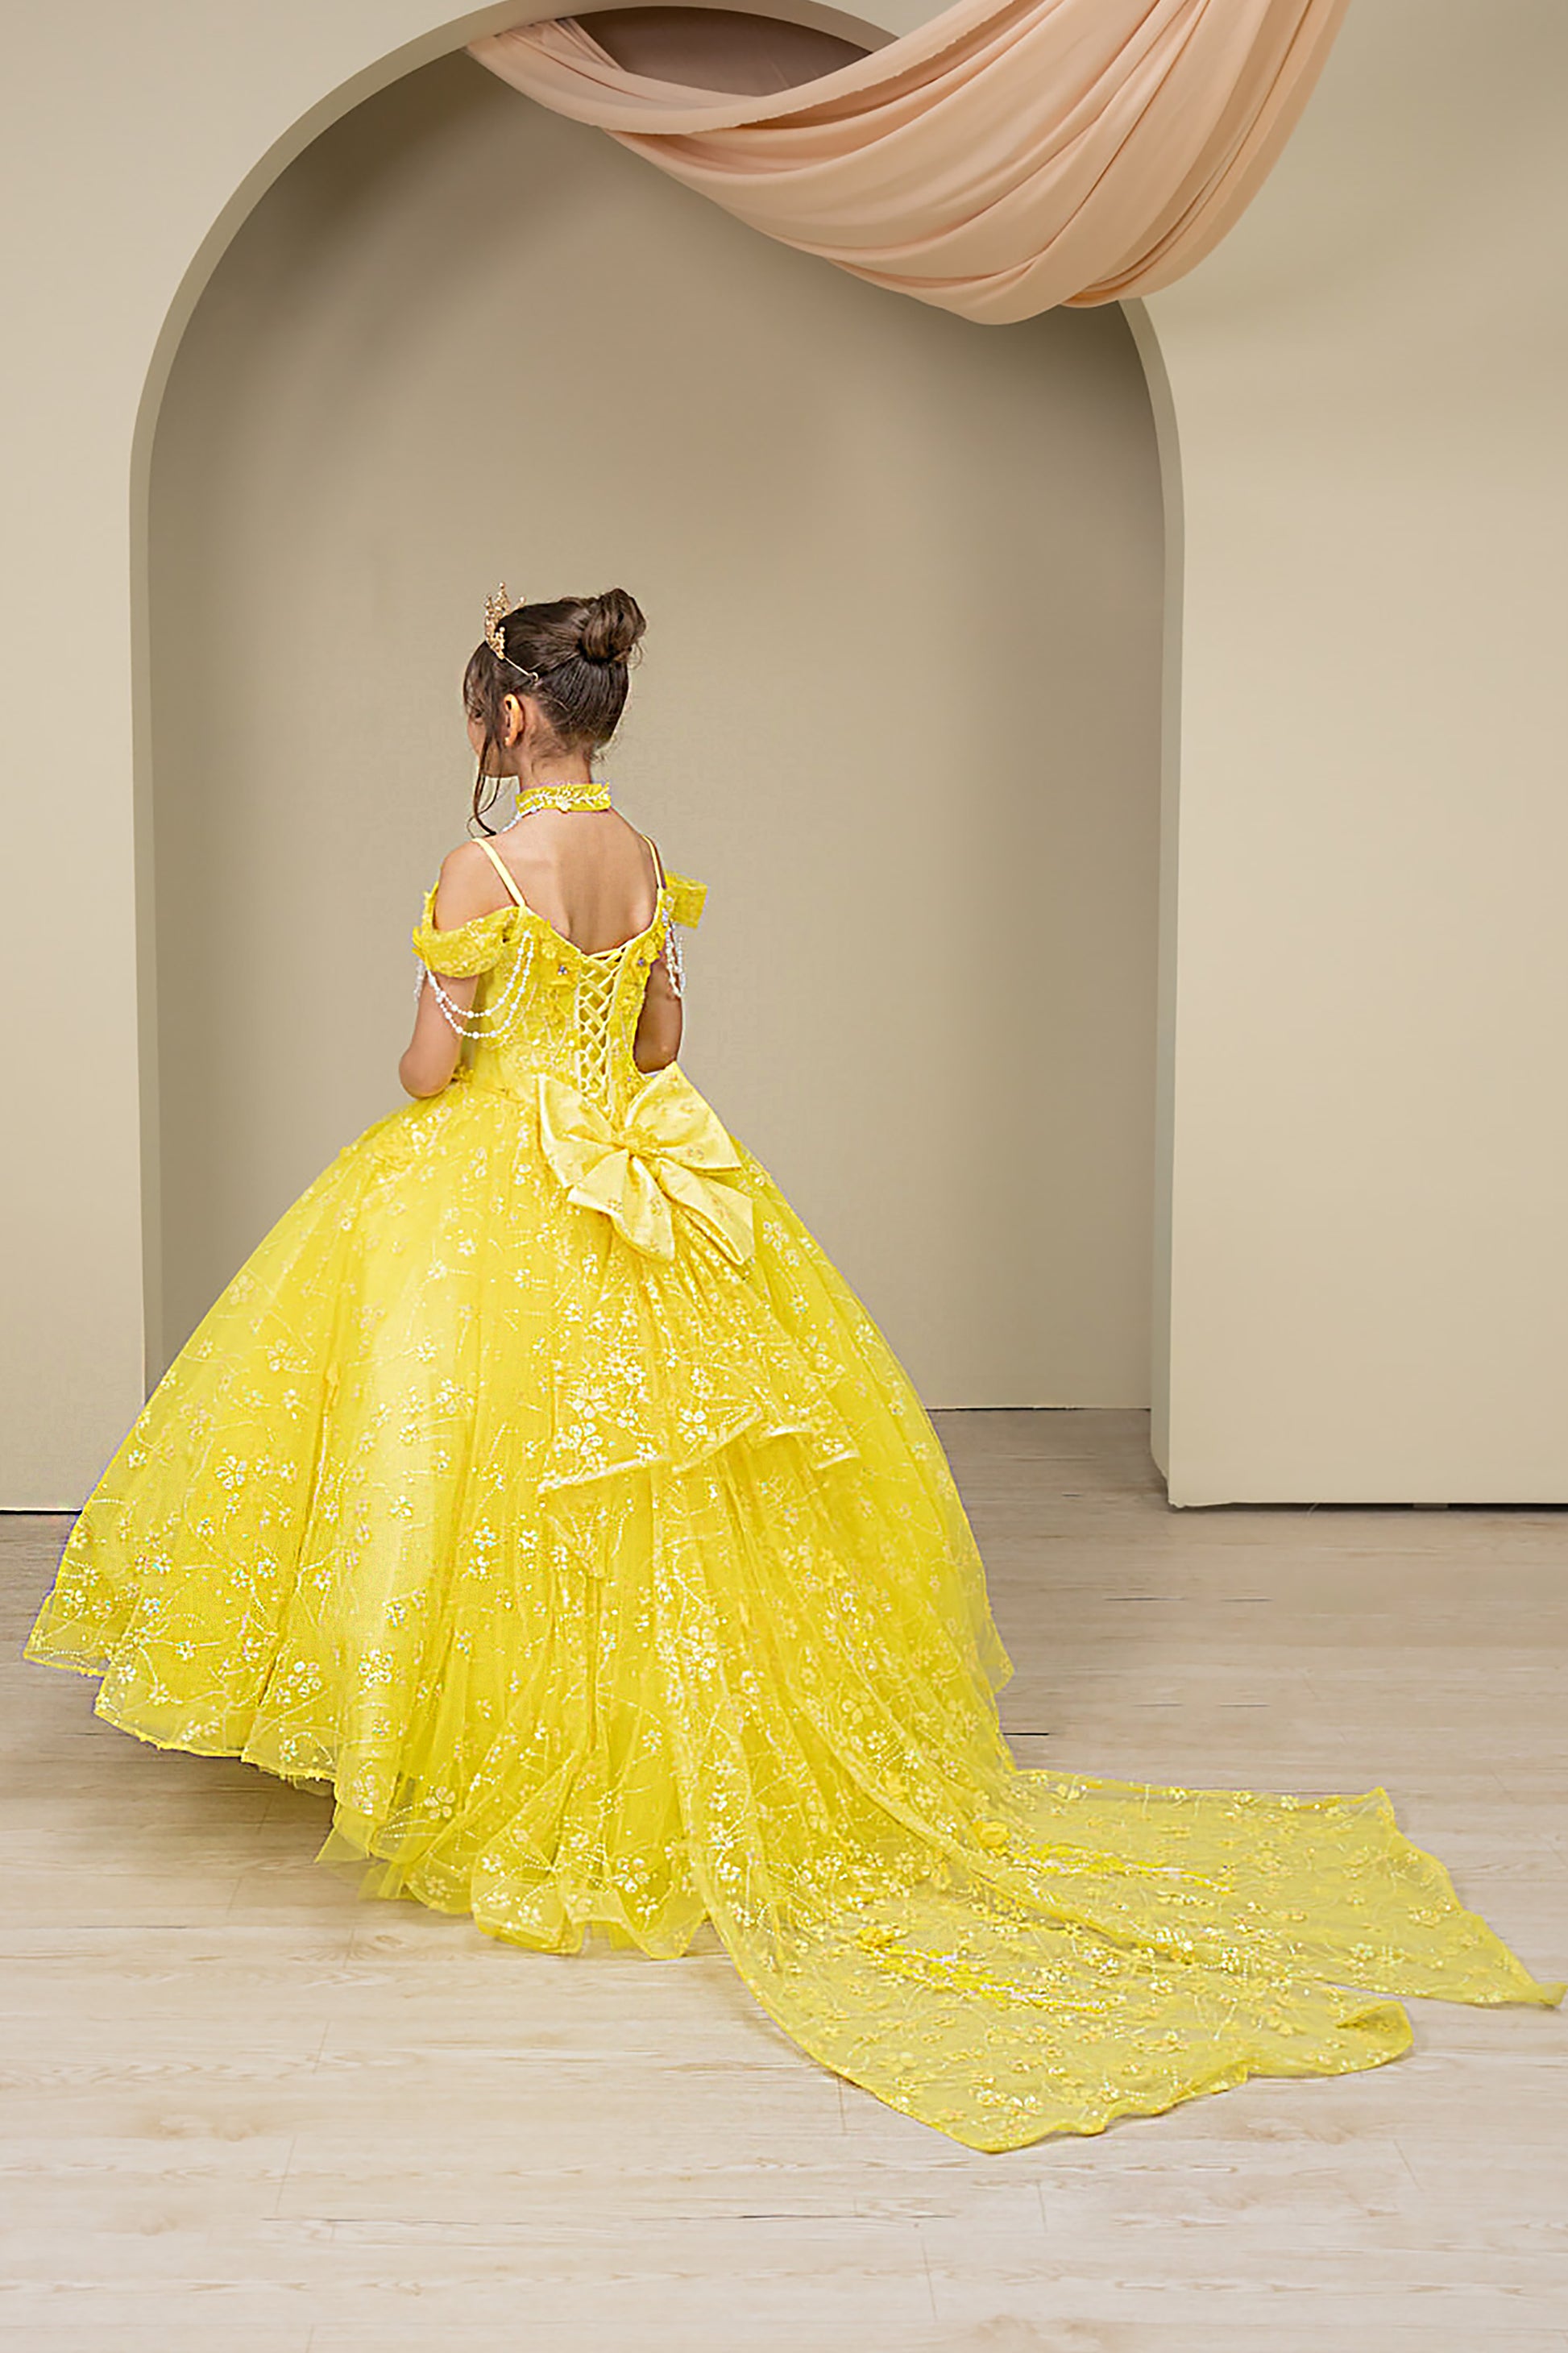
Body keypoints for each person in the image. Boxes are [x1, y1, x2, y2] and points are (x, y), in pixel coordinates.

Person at [27, 586, 1559, 2153]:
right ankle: (654, 1750)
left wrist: (467, 1039)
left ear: (509, 716)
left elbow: (429, 1071)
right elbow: (659, 1047)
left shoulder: (477, 866)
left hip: (492, 1183)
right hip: (644, 1179)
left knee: (469, 1470)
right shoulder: (642, 861)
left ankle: (491, 1759)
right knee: (672, 1483)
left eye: (475, 712)